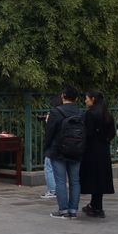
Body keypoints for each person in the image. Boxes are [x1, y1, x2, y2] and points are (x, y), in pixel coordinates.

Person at [45, 86, 84, 219]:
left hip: (58, 150)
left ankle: (63, 210)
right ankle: (73, 210)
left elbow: (49, 132)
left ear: (63, 96)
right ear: (76, 98)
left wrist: (47, 147)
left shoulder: (56, 112)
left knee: (60, 181)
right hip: (77, 150)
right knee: (75, 181)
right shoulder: (80, 112)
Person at [80, 90, 115, 218]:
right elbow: (112, 133)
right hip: (104, 149)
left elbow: (88, 133)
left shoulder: (90, 114)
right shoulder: (107, 113)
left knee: (93, 178)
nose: (85, 101)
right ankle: (96, 205)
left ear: (93, 99)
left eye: (86, 98)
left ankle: (96, 207)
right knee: (100, 178)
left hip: (92, 150)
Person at [40, 96, 62, 200]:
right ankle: (59, 190)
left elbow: (50, 130)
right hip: (66, 145)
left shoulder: (54, 113)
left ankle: (52, 190)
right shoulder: (70, 112)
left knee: (49, 167)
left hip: (54, 145)